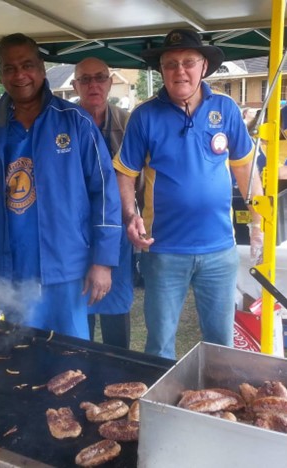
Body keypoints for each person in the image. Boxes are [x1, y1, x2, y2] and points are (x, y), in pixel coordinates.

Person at [0, 33, 122, 340]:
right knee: (12, 361)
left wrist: (103, 260)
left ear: (42, 68)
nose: (20, 75)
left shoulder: (75, 123)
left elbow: (104, 194)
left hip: (65, 269)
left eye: (27, 65)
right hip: (8, 273)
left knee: (69, 358)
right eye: (9, 68)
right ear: (0, 74)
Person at [113, 28, 264, 359]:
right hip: (163, 250)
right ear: (162, 70)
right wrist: (130, 214)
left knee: (221, 343)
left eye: (188, 62)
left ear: (204, 67)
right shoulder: (144, 115)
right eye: (170, 64)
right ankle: (160, 410)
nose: (179, 70)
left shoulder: (225, 109)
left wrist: (257, 222)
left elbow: (245, 169)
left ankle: (217, 410)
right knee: (160, 344)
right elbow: (125, 172)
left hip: (219, 250)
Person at [72, 57, 132, 348]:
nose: (93, 84)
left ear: (110, 83)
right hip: (73, 236)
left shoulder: (128, 123)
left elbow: (141, 175)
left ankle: (117, 376)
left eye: (100, 77)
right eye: (85, 79)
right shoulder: (63, 123)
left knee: (115, 308)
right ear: (75, 85)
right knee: (78, 314)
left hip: (117, 232)